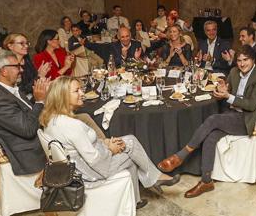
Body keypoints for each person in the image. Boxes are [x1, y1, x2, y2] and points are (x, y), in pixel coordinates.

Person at [41, 76, 180, 208]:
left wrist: (105, 143)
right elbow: (94, 159)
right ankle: (153, 179)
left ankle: (139, 196)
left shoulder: (52, 120)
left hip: (76, 166)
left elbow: (79, 148)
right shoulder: (72, 125)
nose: (82, 93)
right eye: (76, 91)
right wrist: (110, 149)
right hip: (90, 171)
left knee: (130, 141)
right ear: (63, 96)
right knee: (131, 153)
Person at [157, 45, 256, 198]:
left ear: (254, 60)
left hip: (246, 120)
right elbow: (226, 90)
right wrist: (222, 89)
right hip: (232, 115)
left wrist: (227, 96)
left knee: (212, 119)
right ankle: (206, 181)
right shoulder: (234, 72)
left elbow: (250, 105)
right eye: (239, 60)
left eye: (246, 60)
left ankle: (180, 156)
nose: (242, 64)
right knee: (211, 136)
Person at [0, 49, 49, 176]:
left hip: (36, 136)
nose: (21, 70)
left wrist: (39, 96)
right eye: (17, 66)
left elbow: (25, 111)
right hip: (30, 152)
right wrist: (39, 102)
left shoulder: (7, 88)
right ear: (4, 71)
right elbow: (27, 130)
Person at [3, 33, 50, 100]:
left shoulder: (26, 59)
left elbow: (33, 80)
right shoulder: (7, 65)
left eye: (27, 43)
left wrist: (40, 74)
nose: (26, 46)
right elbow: (19, 91)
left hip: (33, 95)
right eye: (22, 43)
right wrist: (39, 76)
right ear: (10, 46)